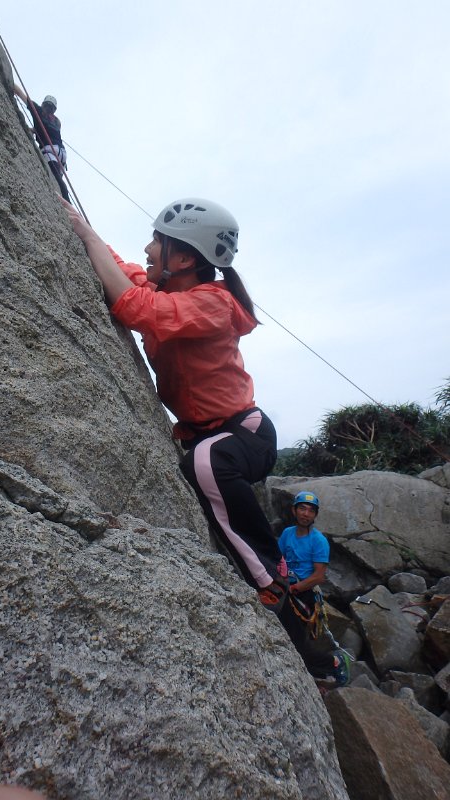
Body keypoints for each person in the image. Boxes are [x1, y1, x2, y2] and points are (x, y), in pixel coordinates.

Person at [61, 196, 288, 603]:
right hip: (209, 434)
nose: (148, 249)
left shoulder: (214, 303)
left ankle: (270, 576)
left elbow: (138, 310)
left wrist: (88, 238)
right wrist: (81, 228)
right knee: (203, 459)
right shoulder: (169, 292)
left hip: (243, 435)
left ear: (183, 259)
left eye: (157, 241)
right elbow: (128, 275)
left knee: (205, 463)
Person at [278, 491, 350, 685]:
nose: (306, 514)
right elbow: (279, 558)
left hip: (303, 594)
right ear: (294, 510)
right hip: (286, 588)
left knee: (296, 644)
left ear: (315, 515)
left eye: (311, 510)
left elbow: (318, 576)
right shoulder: (287, 534)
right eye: (302, 508)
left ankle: (335, 662)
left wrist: (293, 589)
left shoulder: (318, 541)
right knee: (290, 637)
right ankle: (318, 671)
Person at [13, 85, 69, 201]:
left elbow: (20, 93)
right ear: (54, 109)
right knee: (59, 180)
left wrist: (11, 84)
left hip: (50, 150)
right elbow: (44, 129)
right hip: (62, 154)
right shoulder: (56, 121)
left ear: (43, 104)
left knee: (57, 179)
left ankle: (66, 202)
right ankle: (66, 198)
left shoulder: (38, 110)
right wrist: (33, 130)